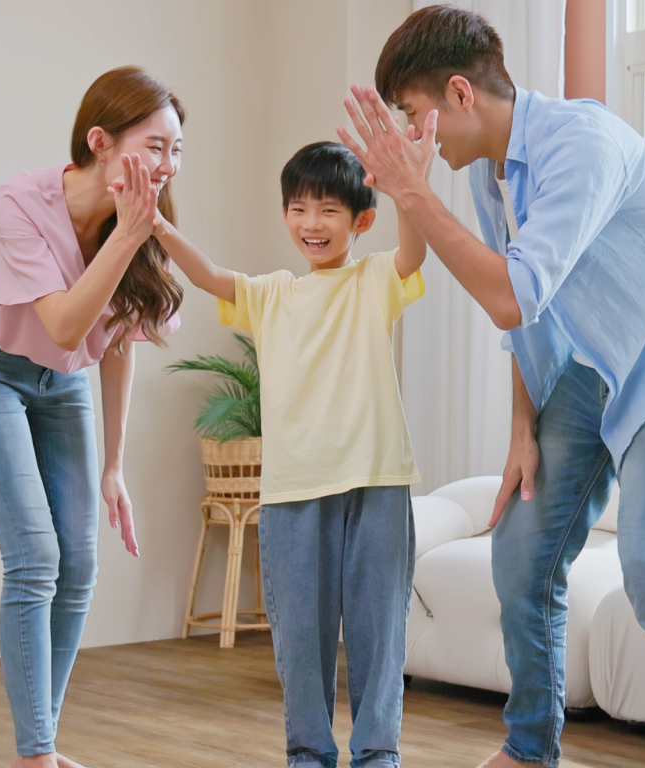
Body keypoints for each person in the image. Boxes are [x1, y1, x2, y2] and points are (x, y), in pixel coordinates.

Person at [336, 6, 645, 768]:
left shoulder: (580, 145)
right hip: (594, 365)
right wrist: (521, 428)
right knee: (520, 553)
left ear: (459, 93)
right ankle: (531, 749)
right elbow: (532, 320)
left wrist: (412, 193)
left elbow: (511, 294)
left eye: (411, 112)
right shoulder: (490, 174)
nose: (408, 134)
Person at [150, 139, 433, 768]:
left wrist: (409, 187)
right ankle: (308, 753)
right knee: (301, 634)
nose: (312, 223)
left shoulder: (374, 279)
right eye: (299, 208)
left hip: (376, 481)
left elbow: (414, 253)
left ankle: (377, 753)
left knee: (379, 630)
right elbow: (208, 274)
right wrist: (156, 225)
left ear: (362, 220)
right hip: (293, 489)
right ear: (284, 214)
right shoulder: (270, 294)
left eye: (329, 210)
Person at [0, 66, 184, 768]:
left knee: (79, 567)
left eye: (177, 150)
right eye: (155, 147)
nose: (168, 166)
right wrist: (128, 235)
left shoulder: (137, 219)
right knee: (35, 558)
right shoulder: (19, 204)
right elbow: (64, 323)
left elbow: (117, 341)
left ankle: (39, 747)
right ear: (100, 142)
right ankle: (37, 755)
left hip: (65, 379)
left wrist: (115, 466)